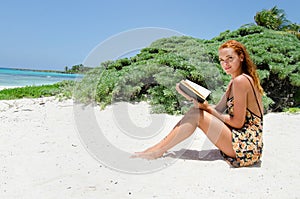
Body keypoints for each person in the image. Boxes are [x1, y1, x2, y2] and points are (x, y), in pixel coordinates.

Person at [133, 40, 264, 167]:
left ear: (241, 57)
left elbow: (237, 122)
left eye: (230, 58)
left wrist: (206, 108)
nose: (225, 64)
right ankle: (157, 148)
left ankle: (157, 150)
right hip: (245, 144)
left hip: (246, 147)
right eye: (222, 60)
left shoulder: (241, 81)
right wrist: (194, 98)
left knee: (197, 115)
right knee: (195, 112)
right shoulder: (234, 82)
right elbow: (218, 110)